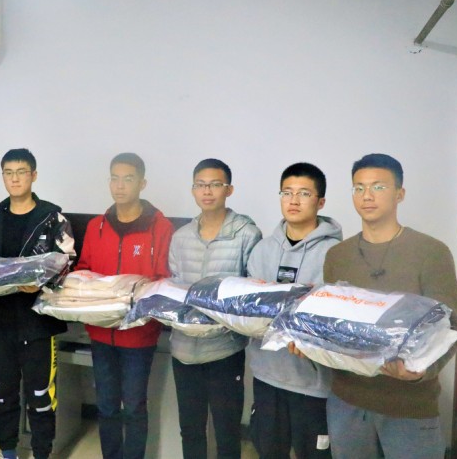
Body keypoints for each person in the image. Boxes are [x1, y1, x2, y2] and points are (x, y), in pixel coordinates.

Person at [319, 153, 457, 459]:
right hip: (347, 401)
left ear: (400, 193)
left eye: (378, 187)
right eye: (359, 188)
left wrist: (420, 372)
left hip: (409, 405)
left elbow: (449, 328)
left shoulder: (431, 252)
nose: (367, 195)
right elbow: (331, 324)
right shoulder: (337, 255)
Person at [75, 152, 174, 459]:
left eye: (128, 179)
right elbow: (84, 269)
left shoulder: (161, 228)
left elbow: (163, 279)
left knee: (133, 406)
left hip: (139, 335)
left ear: (142, 183)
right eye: (114, 178)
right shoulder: (96, 226)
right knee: (106, 406)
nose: (120, 186)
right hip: (100, 332)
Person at [0, 148, 75, 459]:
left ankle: (42, 453)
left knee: (41, 397)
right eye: (8, 173)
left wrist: (42, 283)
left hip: (38, 323)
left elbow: (68, 262)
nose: (15, 179)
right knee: (1, 394)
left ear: (33, 175)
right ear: (3, 176)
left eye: (21, 172)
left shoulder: (53, 218)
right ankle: (7, 452)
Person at [246, 162, 342, 459]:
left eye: (304, 193)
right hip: (267, 375)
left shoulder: (335, 254)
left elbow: (334, 317)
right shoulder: (262, 249)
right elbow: (250, 308)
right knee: (268, 451)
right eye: (287, 192)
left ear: (320, 202)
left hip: (313, 384)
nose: (294, 200)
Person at [169, 158, 262, 459]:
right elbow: (174, 287)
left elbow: (253, 292)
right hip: (183, 349)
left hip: (224, 349)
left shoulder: (246, 234)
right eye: (200, 185)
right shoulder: (181, 237)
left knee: (227, 429)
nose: (207, 191)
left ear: (228, 189)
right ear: (193, 190)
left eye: (215, 184)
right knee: (190, 428)